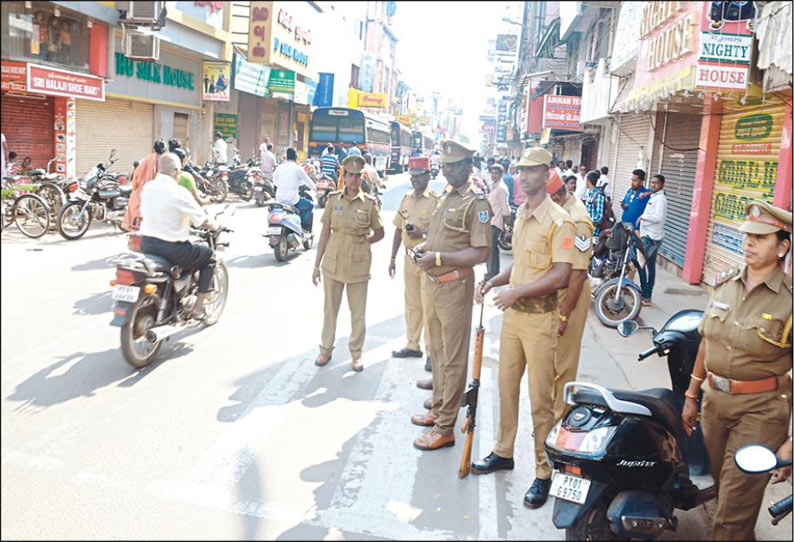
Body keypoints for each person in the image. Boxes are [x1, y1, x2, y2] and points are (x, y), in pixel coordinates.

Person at [470, 147, 575, 510]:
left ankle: (544, 472)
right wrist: (492, 282)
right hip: (514, 318)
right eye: (522, 170)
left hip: (540, 320)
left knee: (541, 402)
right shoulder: (520, 216)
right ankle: (504, 451)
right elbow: (517, 269)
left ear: (547, 175)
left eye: (532, 171)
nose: (525, 176)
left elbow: (562, 275)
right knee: (506, 389)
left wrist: (515, 293)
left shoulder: (560, 221)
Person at [681, 200, 792, 541]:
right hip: (715, 405)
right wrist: (691, 394)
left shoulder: (789, 300)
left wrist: (791, 443)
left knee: (731, 512)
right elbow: (706, 341)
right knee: (727, 491)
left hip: (761, 411)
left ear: (782, 246)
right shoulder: (724, 284)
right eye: (747, 236)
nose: (749, 243)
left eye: (760, 237)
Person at [410, 139, 491, 451]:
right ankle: (440, 408)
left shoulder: (476, 201)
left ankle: (446, 428)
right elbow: (441, 236)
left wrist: (438, 258)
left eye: (455, 166)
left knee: (454, 357)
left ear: (468, 166)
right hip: (433, 282)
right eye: (445, 166)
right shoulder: (446, 195)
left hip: (454, 285)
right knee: (439, 353)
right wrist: (426, 247)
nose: (448, 171)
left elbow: (481, 251)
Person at [312, 155, 384, 372]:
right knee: (330, 310)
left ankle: (356, 354)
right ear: (343, 175)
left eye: (356, 175)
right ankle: (325, 349)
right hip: (333, 262)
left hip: (358, 265)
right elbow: (325, 232)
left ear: (362, 177)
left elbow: (380, 233)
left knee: (358, 312)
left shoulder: (370, 204)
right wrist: (316, 266)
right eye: (349, 175)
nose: (352, 179)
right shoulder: (333, 200)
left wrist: (363, 243)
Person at [139, 153, 219, 320]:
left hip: (146, 244)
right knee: (209, 256)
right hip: (172, 249)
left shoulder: (148, 188)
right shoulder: (178, 192)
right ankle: (198, 308)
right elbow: (201, 219)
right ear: (176, 171)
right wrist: (215, 225)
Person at [545, 171, 594, 423]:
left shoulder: (578, 221)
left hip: (572, 294)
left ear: (558, 195)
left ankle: (558, 419)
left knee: (564, 361)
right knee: (552, 357)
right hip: (558, 291)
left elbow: (578, 273)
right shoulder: (560, 214)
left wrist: (565, 314)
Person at [389, 156, 439, 369]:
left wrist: (423, 232)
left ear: (428, 176)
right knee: (412, 303)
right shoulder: (406, 198)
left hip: (427, 260)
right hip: (408, 259)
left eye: (418, 176)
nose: (415, 180)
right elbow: (398, 229)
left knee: (429, 306)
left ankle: (431, 352)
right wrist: (392, 257)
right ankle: (413, 345)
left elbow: (440, 233)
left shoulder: (436, 200)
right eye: (412, 176)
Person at [637, 174, 668, 306]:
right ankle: (646, 293)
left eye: (656, 183)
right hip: (648, 235)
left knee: (641, 264)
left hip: (652, 238)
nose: (653, 185)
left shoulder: (660, 199)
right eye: (652, 182)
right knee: (649, 265)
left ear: (662, 185)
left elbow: (658, 217)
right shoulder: (655, 195)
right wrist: (646, 194)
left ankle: (646, 294)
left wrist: (643, 218)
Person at [123, 138, 166, 231]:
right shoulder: (165, 161)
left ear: (154, 149)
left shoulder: (148, 159)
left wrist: (135, 187)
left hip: (142, 193)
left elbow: (136, 176)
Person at [274, 147, 316, 232]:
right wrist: (314, 188)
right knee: (310, 205)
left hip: (279, 200)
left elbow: (275, 182)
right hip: (293, 201)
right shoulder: (298, 168)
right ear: (296, 157)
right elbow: (308, 181)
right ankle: (302, 227)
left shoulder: (279, 168)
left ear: (286, 157)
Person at [486, 163, 509, 281]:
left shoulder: (501, 188)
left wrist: (503, 225)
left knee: (490, 249)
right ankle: (493, 273)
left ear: (501, 174)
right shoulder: (494, 186)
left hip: (496, 222)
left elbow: (505, 210)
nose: (493, 175)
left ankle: (491, 274)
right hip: (491, 221)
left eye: (496, 173)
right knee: (492, 249)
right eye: (492, 173)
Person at [584, 171, 607, 238]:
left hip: (594, 232)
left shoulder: (598, 195)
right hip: (587, 230)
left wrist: (588, 221)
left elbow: (599, 217)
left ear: (588, 181)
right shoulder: (590, 194)